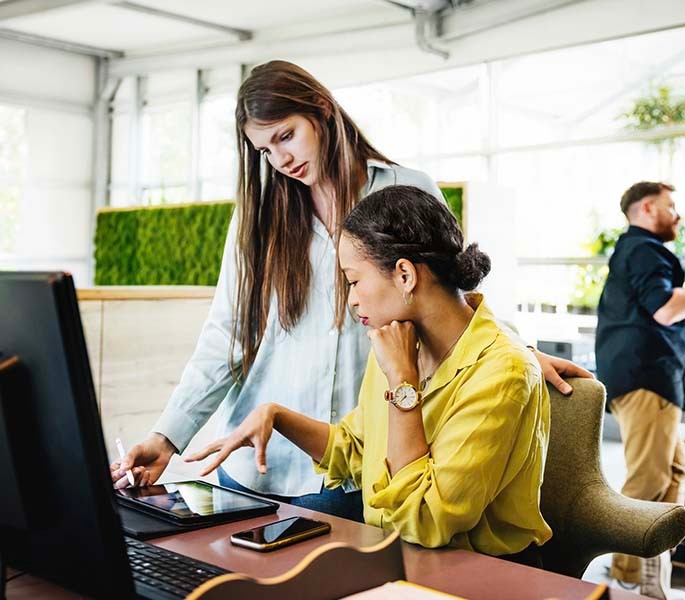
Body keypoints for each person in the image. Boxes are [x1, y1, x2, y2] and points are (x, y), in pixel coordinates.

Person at [110, 60, 588, 520]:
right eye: (265, 151)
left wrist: (514, 351)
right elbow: (227, 335)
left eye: (286, 136)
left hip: (361, 469)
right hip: (253, 464)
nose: (281, 160)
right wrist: (167, 436)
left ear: (321, 109)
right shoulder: (257, 220)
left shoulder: (408, 187)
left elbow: (449, 287)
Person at [186, 185, 553, 561]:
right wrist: (277, 416)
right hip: (399, 558)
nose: (351, 299)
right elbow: (358, 450)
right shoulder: (398, 344)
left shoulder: (503, 371)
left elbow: (427, 520)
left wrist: (403, 386)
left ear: (405, 275)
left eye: (354, 281)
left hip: (478, 574)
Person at [595, 182, 685, 600]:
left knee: (675, 472)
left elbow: (653, 315)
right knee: (650, 477)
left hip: (648, 377)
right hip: (646, 380)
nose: (677, 215)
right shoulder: (645, 250)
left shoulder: (634, 251)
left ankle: (650, 573)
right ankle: (625, 573)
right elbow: (664, 308)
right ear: (646, 208)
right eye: (670, 206)